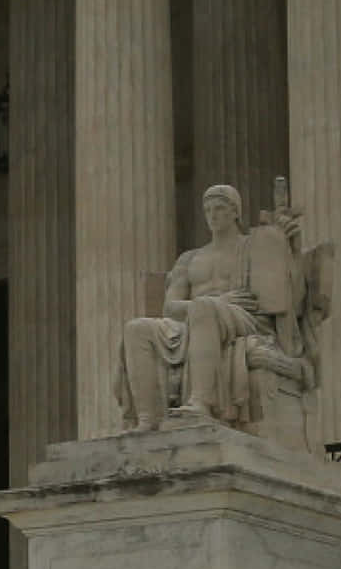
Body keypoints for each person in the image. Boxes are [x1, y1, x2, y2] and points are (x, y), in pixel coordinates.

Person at [116, 181, 330, 430]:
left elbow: (289, 295)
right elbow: (170, 308)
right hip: (193, 321)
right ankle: (148, 418)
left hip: (247, 318)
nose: (212, 215)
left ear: (235, 212)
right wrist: (217, 302)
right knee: (136, 329)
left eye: (219, 208)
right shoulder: (189, 259)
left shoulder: (254, 247)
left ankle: (201, 403)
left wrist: (289, 249)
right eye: (207, 210)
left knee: (204, 308)